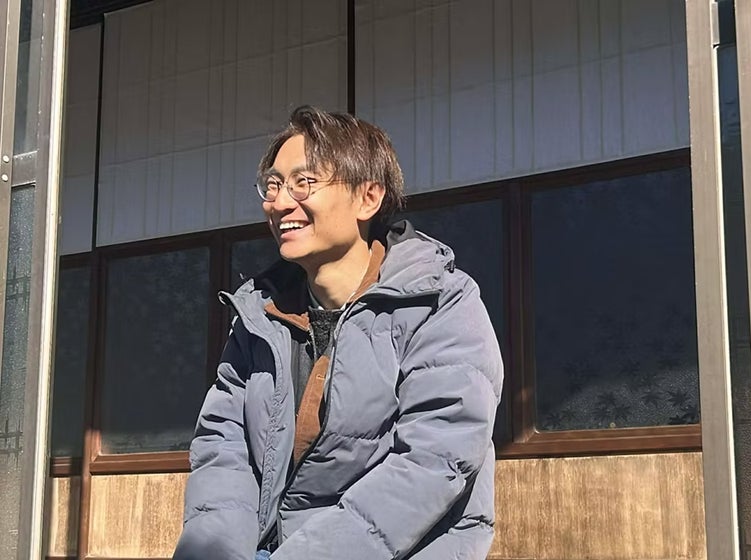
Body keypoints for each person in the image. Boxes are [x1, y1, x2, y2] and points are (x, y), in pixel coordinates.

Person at [172, 105, 503, 560]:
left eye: (303, 182)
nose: (280, 203)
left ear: (368, 197)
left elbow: (434, 459)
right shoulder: (258, 316)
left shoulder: (439, 302)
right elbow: (223, 448)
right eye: (273, 185)